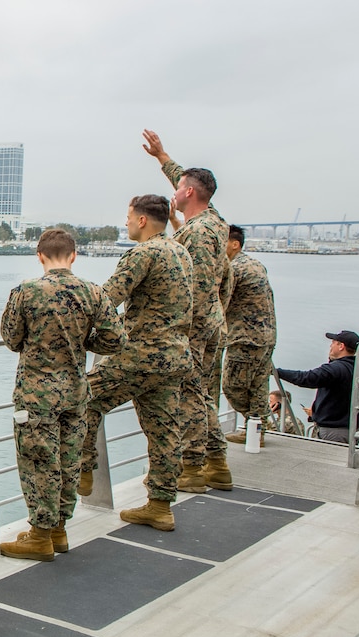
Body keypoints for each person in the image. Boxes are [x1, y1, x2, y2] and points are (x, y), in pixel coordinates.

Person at [0, 229, 125, 561]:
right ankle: (59, 530)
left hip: (36, 394)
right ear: (73, 256)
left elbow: (11, 339)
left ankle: (40, 535)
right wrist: (83, 341)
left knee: (39, 461)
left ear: (39, 256)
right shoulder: (92, 293)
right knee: (69, 461)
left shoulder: (26, 292)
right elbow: (115, 339)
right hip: (74, 392)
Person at [77, 195, 193, 532]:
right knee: (165, 431)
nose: (126, 222)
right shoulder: (180, 252)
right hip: (175, 356)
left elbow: (106, 299)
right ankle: (160, 506)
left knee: (86, 396)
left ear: (142, 220)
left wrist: (71, 316)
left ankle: (83, 470)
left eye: (128, 217)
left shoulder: (144, 253)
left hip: (142, 354)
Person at [142, 129, 233, 492]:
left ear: (189, 192)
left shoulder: (195, 233)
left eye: (179, 187)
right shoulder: (216, 222)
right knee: (202, 392)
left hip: (193, 326)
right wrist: (163, 157)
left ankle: (194, 467)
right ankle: (216, 462)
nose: (175, 192)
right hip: (214, 321)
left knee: (190, 394)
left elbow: (189, 286)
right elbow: (190, 181)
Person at [220, 225, 277, 451]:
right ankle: (258, 430)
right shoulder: (255, 264)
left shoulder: (235, 269)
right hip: (267, 336)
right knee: (257, 387)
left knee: (232, 386)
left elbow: (218, 300)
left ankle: (259, 424)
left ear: (235, 244)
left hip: (245, 338)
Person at [276, 330, 359, 443]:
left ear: (341, 346)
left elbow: (306, 378)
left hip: (333, 431)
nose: (330, 346)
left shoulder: (336, 369)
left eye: (333, 343)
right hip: (351, 428)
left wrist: (277, 372)